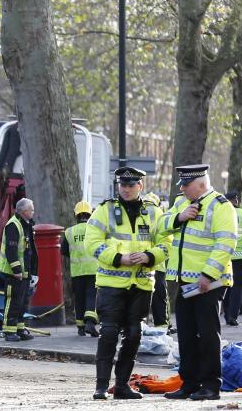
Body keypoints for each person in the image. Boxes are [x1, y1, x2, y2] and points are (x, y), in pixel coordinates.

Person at [85, 166, 169, 400]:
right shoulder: (105, 210)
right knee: (109, 332)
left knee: (133, 334)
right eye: (123, 185)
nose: (126, 189)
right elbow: (92, 242)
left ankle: (121, 385)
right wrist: (117, 258)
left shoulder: (153, 212)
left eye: (131, 185)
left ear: (140, 186)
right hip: (112, 283)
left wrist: (150, 256)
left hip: (141, 284)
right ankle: (101, 386)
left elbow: (166, 242)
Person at [160, 165, 238, 401]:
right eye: (181, 185)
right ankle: (189, 383)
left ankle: (211, 385)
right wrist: (178, 217)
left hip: (208, 283)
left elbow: (226, 244)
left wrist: (208, 274)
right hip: (184, 281)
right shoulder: (181, 204)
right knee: (185, 334)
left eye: (186, 185)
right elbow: (159, 227)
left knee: (207, 334)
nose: (182, 189)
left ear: (201, 184)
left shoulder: (220, 205)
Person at [0, 197, 38, 343]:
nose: (33, 212)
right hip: (14, 273)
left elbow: (29, 250)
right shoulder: (13, 225)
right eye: (32, 209)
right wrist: (17, 270)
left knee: (22, 303)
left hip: (24, 272)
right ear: (25, 211)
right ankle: (9, 331)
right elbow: (11, 250)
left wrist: (32, 272)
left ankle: (19, 329)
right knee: (13, 301)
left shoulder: (26, 224)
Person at [61, 201, 98, 337]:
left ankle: (81, 327)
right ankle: (90, 323)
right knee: (91, 296)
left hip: (77, 271)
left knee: (79, 298)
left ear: (76, 215)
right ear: (90, 214)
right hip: (93, 269)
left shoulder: (69, 232)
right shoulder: (94, 229)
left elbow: (64, 250)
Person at [143, 192, 172, 329]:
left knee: (139, 298)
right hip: (157, 263)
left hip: (137, 264)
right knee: (159, 298)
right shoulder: (160, 212)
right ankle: (162, 327)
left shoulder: (137, 211)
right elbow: (166, 237)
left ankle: (138, 327)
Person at [223, 191, 242, 326]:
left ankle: (226, 313)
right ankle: (232, 316)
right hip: (240, 255)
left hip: (226, 254)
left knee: (227, 284)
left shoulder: (223, 213)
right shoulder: (241, 212)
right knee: (237, 286)